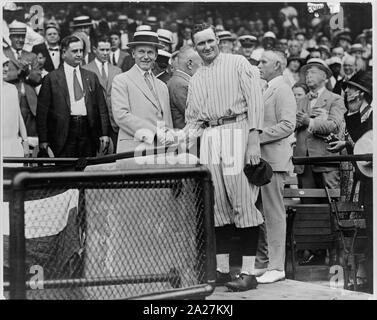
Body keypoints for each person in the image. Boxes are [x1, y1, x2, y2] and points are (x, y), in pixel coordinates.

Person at [183, 23, 264, 291]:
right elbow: (193, 122)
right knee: (217, 206)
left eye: (210, 41)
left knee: (242, 203)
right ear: (194, 47)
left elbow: (255, 100)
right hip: (210, 136)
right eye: (200, 44)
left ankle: (249, 273)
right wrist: (171, 140)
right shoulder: (195, 78)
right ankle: (221, 270)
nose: (206, 47)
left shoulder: (238, 62)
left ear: (218, 39)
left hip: (236, 129)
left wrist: (253, 139)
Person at [327, 70, 373, 292]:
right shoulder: (353, 116)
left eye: (351, 89)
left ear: (361, 93)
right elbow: (359, 145)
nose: (346, 92)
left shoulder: (373, 116)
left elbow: (368, 147)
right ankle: (367, 279)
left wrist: (351, 145)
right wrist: (345, 145)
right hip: (362, 179)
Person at [255, 50, 296, 283]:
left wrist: (256, 137)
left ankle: (277, 266)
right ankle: (264, 263)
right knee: (260, 213)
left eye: (263, 62)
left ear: (278, 65)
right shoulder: (267, 87)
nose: (259, 65)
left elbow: (288, 124)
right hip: (262, 161)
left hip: (274, 161)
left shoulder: (282, 89)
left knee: (273, 214)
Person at [37, 35, 110, 157]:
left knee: (87, 170)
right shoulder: (51, 78)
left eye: (81, 51)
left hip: (88, 131)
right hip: (63, 132)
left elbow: (102, 107)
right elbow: (42, 113)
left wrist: (104, 133)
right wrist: (43, 140)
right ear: (64, 53)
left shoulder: (91, 76)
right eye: (75, 51)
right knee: (65, 171)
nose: (79, 54)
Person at [111, 31, 174, 154]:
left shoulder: (162, 86)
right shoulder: (121, 80)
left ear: (156, 55)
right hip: (133, 150)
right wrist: (156, 133)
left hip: (160, 151)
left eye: (150, 52)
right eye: (141, 52)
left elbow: (167, 121)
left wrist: (170, 139)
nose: (146, 57)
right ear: (133, 53)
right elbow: (122, 116)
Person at [294, 58, 346, 190]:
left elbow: (334, 125)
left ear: (324, 76)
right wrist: (302, 121)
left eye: (313, 72)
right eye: (306, 73)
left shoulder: (336, 99)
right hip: (303, 164)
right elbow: (290, 125)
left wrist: (309, 121)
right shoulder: (300, 101)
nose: (308, 76)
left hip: (326, 161)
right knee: (307, 206)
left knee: (331, 205)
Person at [83, 34, 122, 153]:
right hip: (95, 123)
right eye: (102, 50)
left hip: (114, 122)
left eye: (108, 50)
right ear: (94, 50)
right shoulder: (85, 70)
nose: (105, 53)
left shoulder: (117, 70)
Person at [4, 21, 41, 137]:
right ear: (10, 37)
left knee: (31, 138)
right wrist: (18, 72)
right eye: (17, 37)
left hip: (30, 104)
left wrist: (28, 72)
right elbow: (3, 76)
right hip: (10, 100)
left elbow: (38, 79)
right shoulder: (3, 54)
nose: (20, 40)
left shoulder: (32, 56)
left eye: (22, 37)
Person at [167, 45, 202, 129]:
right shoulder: (181, 85)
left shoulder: (178, 81)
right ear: (190, 64)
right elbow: (197, 115)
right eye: (201, 64)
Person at [2, 53, 29, 160]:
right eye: (2, 65)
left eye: (6, 65)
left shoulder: (12, 88)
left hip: (14, 146)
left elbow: (19, 117)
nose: (5, 69)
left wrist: (25, 142)